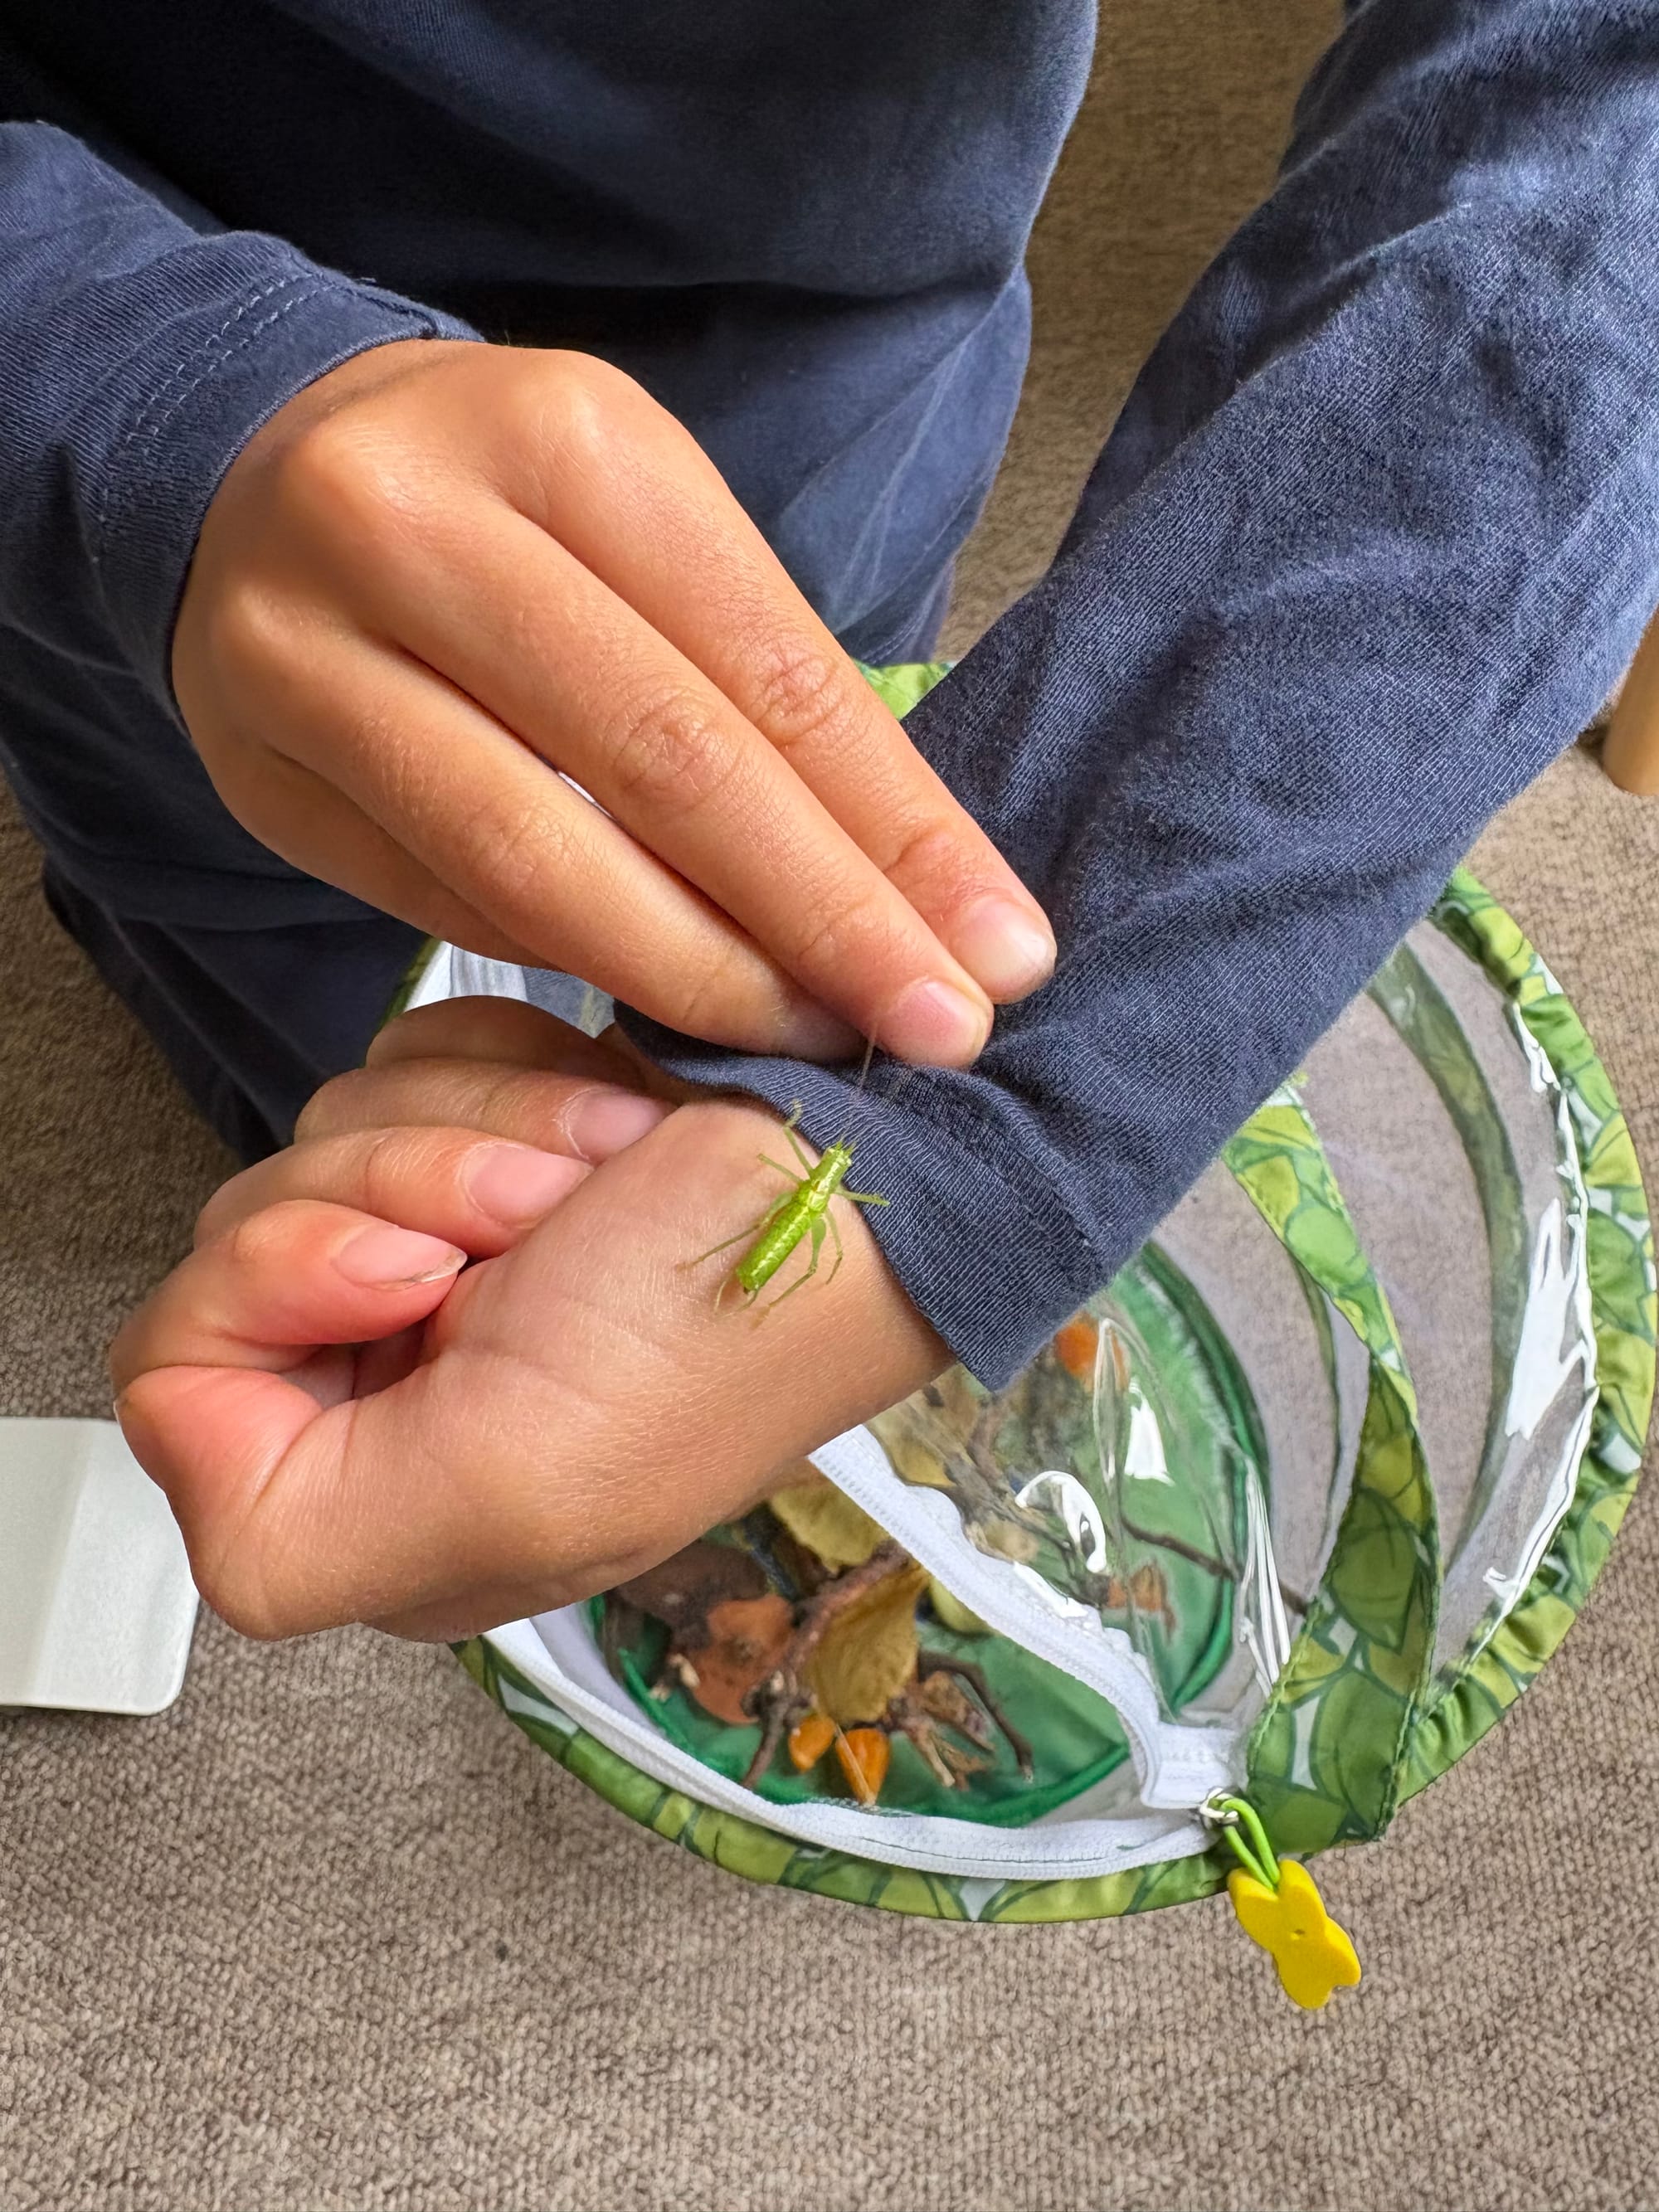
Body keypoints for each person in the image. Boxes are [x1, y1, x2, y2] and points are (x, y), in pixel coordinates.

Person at [7, 4, 1657, 1641]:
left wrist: (981, 1148)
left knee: (730, 889)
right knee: (347, 1068)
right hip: (154, 623)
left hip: (842, 405)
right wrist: (145, 405)